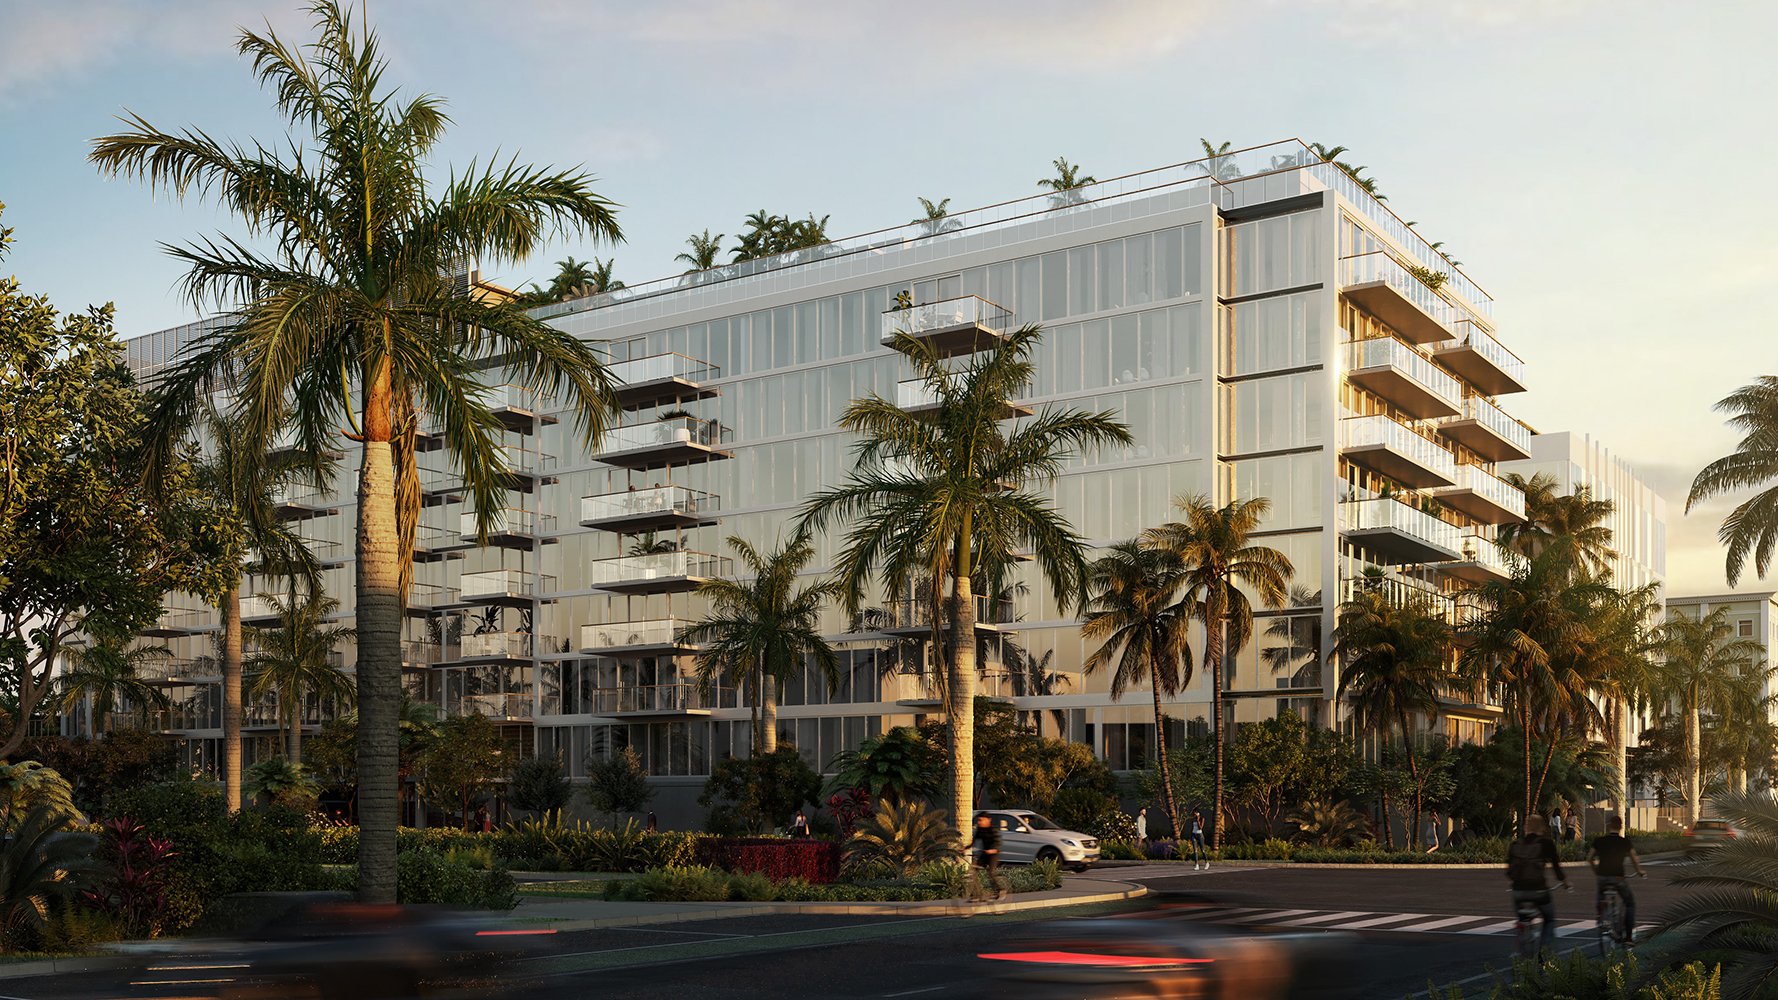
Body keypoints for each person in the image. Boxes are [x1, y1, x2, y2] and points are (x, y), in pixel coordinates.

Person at [1507, 815, 1570, 955]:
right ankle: (1543, 950)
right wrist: (1565, 883)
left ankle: (1521, 937)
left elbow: (1509, 873)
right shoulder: (1546, 844)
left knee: (1522, 918)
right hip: (1539, 891)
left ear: (1526, 827)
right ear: (1542, 827)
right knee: (1549, 919)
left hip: (1518, 892)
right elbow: (1556, 869)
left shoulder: (1515, 845)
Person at [1588, 816, 1646, 942]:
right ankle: (1629, 937)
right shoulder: (1624, 842)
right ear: (1620, 827)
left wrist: (1596, 871)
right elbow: (1634, 858)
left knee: (1600, 892)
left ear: (1609, 826)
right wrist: (1639, 871)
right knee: (1630, 903)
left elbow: (1590, 858)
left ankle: (1600, 912)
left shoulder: (1599, 841)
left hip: (1602, 877)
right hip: (1618, 878)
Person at [970, 813, 1005, 901]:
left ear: (988, 820)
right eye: (978, 820)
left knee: (991, 873)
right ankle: (976, 894)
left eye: (981, 820)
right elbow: (973, 842)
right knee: (973, 871)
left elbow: (998, 842)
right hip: (984, 854)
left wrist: (993, 849)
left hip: (993, 855)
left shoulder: (993, 830)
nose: (979, 822)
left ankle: (1000, 890)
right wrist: (964, 849)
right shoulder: (980, 830)